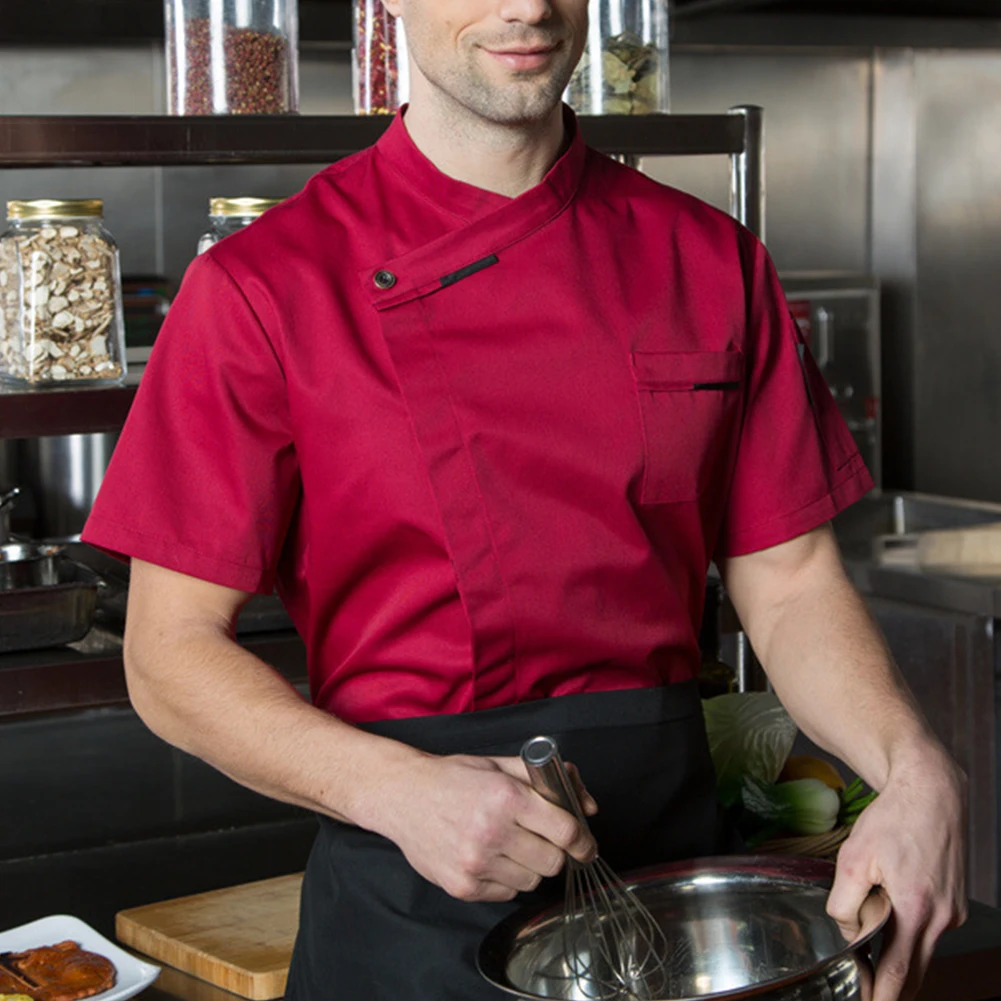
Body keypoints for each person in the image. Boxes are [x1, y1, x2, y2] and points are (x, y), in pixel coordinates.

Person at [82, 1, 967, 999]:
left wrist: (912, 767)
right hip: (408, 894)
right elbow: (167, 653)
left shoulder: (709, 257)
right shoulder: (263, 285)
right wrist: (392, 787)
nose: (527, 8)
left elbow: (792, 583)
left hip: (677, 889)